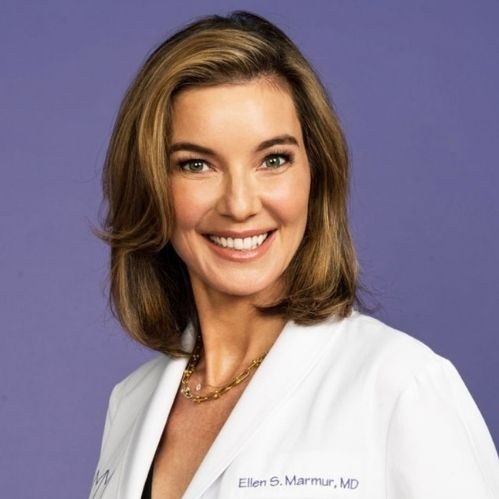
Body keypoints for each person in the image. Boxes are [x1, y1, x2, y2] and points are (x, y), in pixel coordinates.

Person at [88, 11, 499, 499]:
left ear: (315, 175)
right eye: (196, 164)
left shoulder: (402, 385)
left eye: (273, 159)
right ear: (149, 185)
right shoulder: (131, 404)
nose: (240, 204)